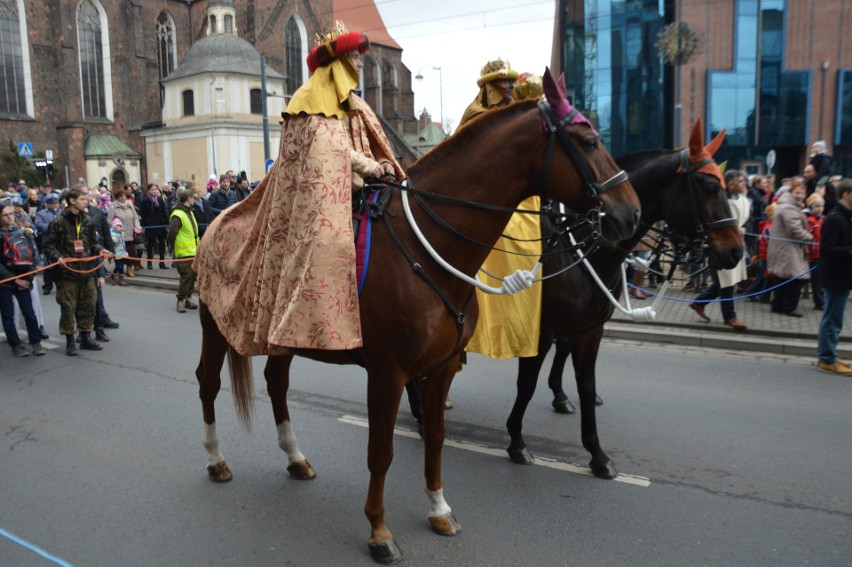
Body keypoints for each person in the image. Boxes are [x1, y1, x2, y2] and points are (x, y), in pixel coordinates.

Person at [194, 23, 403, 354]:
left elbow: (367, 140)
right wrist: (370, 166)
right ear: (339, 63)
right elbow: (331, 150)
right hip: (320, 195)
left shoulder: (353, 103)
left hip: (361, 187)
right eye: (355, 58)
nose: (361, 65)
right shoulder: (308, 101)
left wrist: (385, 163)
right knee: (326, 241)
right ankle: (313, 315)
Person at [43, 187, 112, 356]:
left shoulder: (87, 220)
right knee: (68, 308)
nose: (86, 201)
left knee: (88, 306)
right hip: (67, 274)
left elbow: (92, 243)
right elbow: (48, 245)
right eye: (82, 199)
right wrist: (58, 257)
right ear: (72, 201)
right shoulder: (58, 221)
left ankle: (86, 337)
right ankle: (70, 341)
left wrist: (101, 249)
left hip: (87, 272)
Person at [689, 169, 751, 330]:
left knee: (723, 283)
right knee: (726, 283)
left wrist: (743, 228)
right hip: (722, 246)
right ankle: (729, 316)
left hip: (735, 243)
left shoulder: (744, 200)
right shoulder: (722, 203)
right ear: (731, 185)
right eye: (741, 181)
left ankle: (698, 303)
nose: (744, 183)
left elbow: (749, 220)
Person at [816, 179, 852, 374]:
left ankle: (829, 354)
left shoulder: (845, 216)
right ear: (846, 194)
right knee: (832, 318)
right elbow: (827, 249)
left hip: (843, 275)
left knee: (834, 317)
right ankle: (827, 358)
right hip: (835, 276)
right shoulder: (835, 217)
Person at [0, 204, 45, 357]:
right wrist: (15, 280)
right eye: (5, 215)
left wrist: (28, 278)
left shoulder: (24, 233)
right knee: (8, 315)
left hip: (24, 279)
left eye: (11, 213)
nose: (10, 217)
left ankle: (36, 342)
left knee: (29, 313)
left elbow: (33, 256)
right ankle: (16, 345)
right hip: (5, 282)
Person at [766, 177, 812, 317]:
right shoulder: (789, 208)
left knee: (784, 277)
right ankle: (789, 307)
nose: (800, 196)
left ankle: (778, 305)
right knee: (795, 278)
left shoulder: (787, 205)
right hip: (787, 248)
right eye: (797, 193)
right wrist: (810, 238)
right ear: (791, 193)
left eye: (802, 193)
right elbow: (794, 230)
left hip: (784, 247)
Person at [167, 188, 200, 313]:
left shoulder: (189, 212)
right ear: (188, 199)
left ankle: (188, 298)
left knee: (192, 277)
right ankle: (180, 300)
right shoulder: (178, 214)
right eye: (193, 197)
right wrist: (173, 247)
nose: (195, 200)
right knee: (186, 277)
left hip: (193, 251)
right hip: (184, 252)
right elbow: (172, 233)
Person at [107, 187, 142, 278]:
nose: (123, 198)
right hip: (119, 236)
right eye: (121, 196)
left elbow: (135, 217)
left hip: (130, 234)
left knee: (131, 253)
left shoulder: (130, 206)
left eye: (124, 196)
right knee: (120, 255)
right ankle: (118, 271)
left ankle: (129, 270)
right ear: (117, 198)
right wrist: (115, 227)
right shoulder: (113, 207)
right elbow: (109, 220)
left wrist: (137, 226)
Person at [34, 193, 61, 294]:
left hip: (61, 242)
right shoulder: (42, 213)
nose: (54, 205)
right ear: (47, 204)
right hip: (48, 240)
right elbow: (38, 224)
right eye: (51, 203)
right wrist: (51, 226)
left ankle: (60, 284)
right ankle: (47, 285)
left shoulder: (62, 212)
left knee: (59, 263)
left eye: (55, 203)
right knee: (49, 265)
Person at [139, 183, 169, 270]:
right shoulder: (145, 201)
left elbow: (163, 212)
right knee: (150, 244)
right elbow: (143, 214)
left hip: (160, 224)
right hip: (150, 225)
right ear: (148, 190)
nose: (154, 191)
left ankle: (162, 262)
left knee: (162, 244)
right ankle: (149, 263)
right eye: (152, 189)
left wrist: (166, 223)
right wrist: (145, 225)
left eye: (155, 189)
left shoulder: (159, 200)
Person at [805, 193, 825, 310]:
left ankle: (820, 301)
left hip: (820, 254)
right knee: (813, 279)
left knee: (818, 279)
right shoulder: (810, 221)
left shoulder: (823, 220)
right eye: (817, 206)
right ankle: (819, 302)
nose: (820, 209)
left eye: (821, 206)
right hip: (812, 254)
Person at [109, 218, 128, 286]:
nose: (120, 227)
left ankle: (121, 278)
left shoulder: (121, 233)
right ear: (114, 226)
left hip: (122, 252)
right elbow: (115, 241)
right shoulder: (112, 233)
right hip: (116, 253)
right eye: (118, 226)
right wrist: (119, 234)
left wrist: (125, 252)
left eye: (120, 226)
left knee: (122, 266)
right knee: (118, 266)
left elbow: (123, 243)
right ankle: (112, 276)